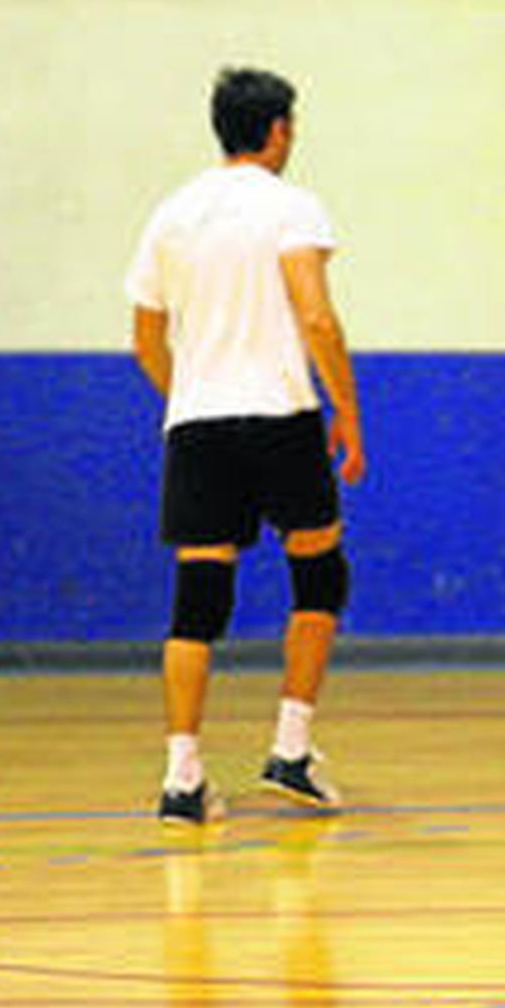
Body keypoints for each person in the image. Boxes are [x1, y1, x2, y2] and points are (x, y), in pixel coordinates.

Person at [125, 66, 366, 825]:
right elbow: (317, 318)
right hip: (281, 414)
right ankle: (291, 749)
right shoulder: (290, 206)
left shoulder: (171, 214)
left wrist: (193, 395)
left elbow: (144, 339)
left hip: (197, 423)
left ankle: (182, 776)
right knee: (320, 575)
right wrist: (348, 417)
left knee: (198, 599)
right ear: (278, 130)